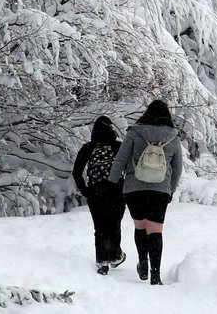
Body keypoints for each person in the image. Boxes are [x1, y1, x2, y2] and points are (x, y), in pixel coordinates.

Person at [108, 100, 183, 285]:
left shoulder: (134, 133)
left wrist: (112, 182)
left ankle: (143, 261)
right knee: (155, 230)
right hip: (160, 190)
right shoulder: (173, 137)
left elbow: (120, 159)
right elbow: (178, 167)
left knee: (140, 226)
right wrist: (170, 189)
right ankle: (155, 275)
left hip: (135, 187)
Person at [72, 116, 127, 275]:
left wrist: (86, 191)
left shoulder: (88, 147)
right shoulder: (118, 147)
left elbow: (76, 172)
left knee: (100, 227)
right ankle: (116, 256)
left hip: (96, 192)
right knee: (114, 225)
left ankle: (102, 262)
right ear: (111, 129)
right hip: (116, 191)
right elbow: (130, 168)